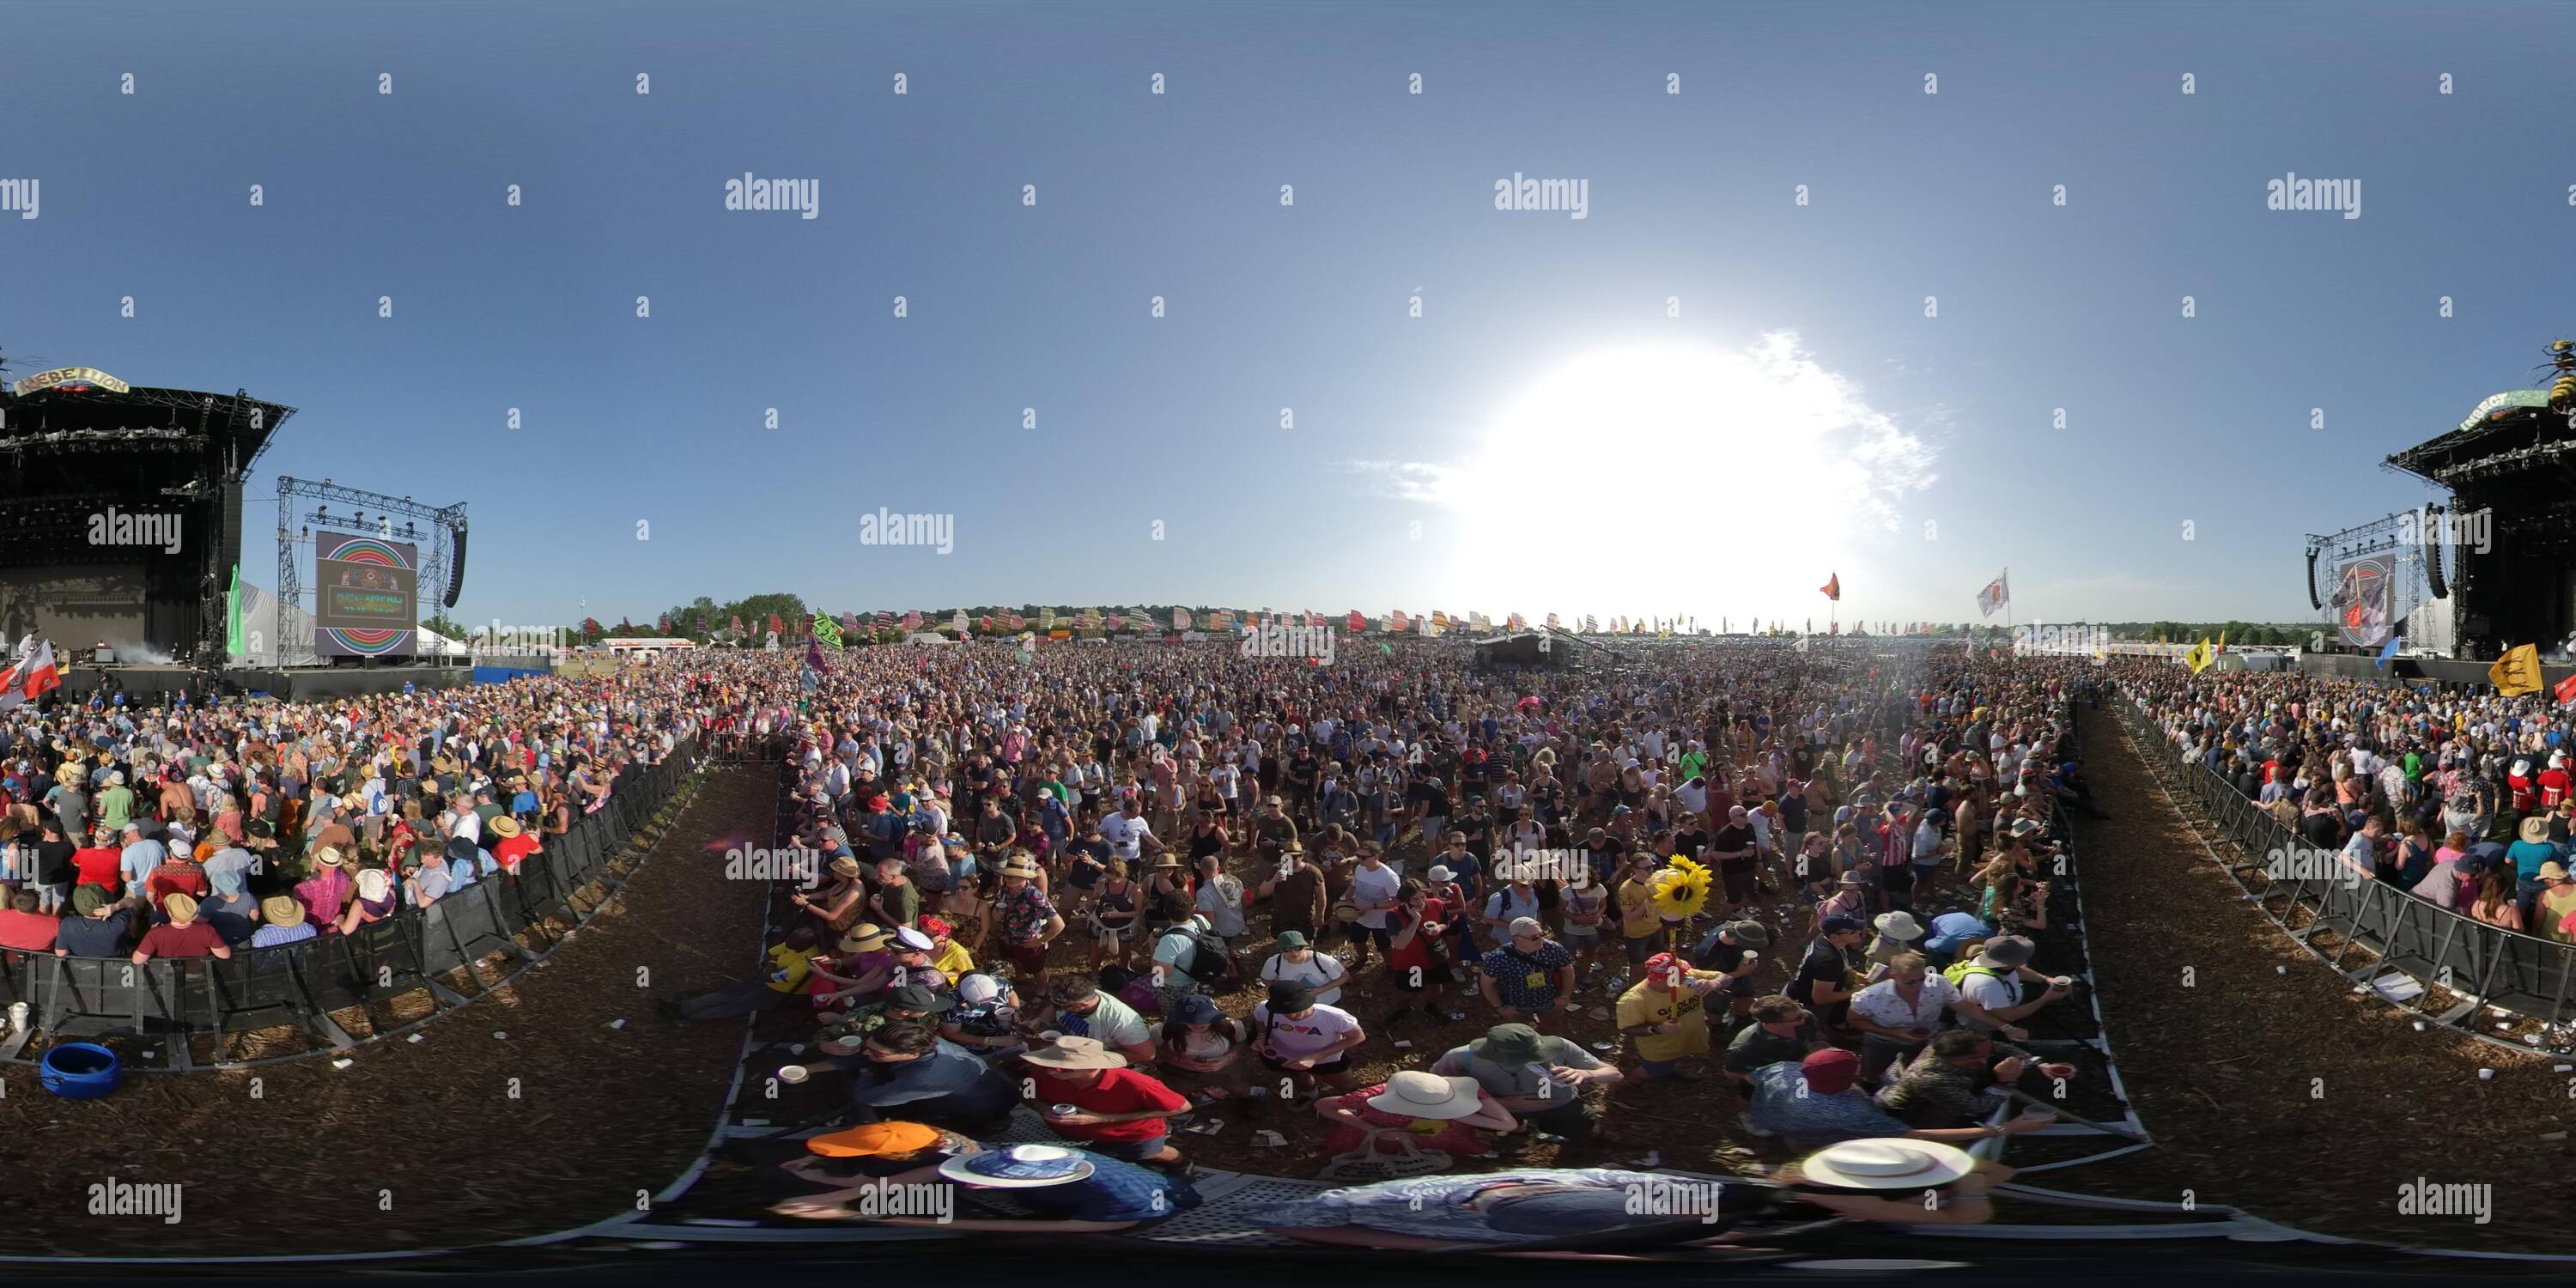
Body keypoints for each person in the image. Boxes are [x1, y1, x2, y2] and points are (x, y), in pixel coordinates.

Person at [1744, 1048, 2056, 1148]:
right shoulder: (1854, 1112)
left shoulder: (1783, 1070)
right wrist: (2003, 1129)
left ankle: (1767, 1126)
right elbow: (1918, 1134)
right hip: (1817, 1136)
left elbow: (1751, 1076)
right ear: (1849, 1080)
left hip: (1769, 1119)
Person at [1426, 1020, 1619, 1148]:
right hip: (1500, 1109)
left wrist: (1586, 1073)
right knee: (1496, 1128)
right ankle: (1520, 1133)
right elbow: (1438, 1090)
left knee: (1582, 1128)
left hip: (1560, 1105)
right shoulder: (1461, 1057)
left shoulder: (1561, 1046)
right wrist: (1499, 1103)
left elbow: (1614, 1074)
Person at [823, 1019, 1021, 1136]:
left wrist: (870, 1071)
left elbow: (867, 1096)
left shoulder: (923, 1077)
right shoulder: (928, 1041)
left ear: (910, 1054)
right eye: (868, 1047)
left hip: (983, 1110)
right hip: (997, 1089)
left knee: (894, 1109)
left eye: (877, 1053)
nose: (867, 1053)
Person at [1024, 1035, 1193, 1168]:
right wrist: (1041, 1107)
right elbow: (1026, 1091)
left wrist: (1102, 1118)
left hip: (1128, 1136)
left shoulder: (1138, 1084)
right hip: (1070, 1133)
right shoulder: (1044, 1071)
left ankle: (1180, 1164)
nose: (1052, 1071)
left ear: (1093, 1066)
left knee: (1149, 1154)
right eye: (1050, 1064)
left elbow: (1182, 1107)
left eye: (1063, 1068)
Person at [1877, 1028, 2076, 1131]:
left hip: (1958, 1090)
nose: (1989, 1055)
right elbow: (1977, 1106)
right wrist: (2004, 1081)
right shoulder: (1931, 1078)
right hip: (1913, 1115)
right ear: (1964, 1059)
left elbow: (1998, 1047)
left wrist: (2039, 1064)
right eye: (1981, 1057)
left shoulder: (1959, 1045)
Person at [1317, 1068, 1519, 1162]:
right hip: (1384, 1135)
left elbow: (1508, 1125)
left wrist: (1455, 1113)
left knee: (1457, 1145)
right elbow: (1324, 1106)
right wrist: (1374, 1130)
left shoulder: (1456, 1091)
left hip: (1439, 1134)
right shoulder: (1370, 1097)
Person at [1614, 951, 1732, 1084]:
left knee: (1680, 1060)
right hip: (1662, 1051)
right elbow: (1627, 1028)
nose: (1686, 976)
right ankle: (1631, 1085)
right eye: (1680, 975)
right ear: (1664, 979)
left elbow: (1726, 978)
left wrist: (1715, 983)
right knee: (1654, 1070)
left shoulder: (1687, 976)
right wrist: (1657, 1029)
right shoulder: (1634, 1000)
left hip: (1690, 1041)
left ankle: (1675, 1068)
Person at [1847, 950, 1956, 1084]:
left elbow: (1962, 1005)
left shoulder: (1937, 983)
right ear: (1893, 976)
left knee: (1917, 1075)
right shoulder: (1871, 996)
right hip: (1882, 1043)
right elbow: (1854, 1020)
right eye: (1910, 982)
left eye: (1922, 979)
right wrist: (1892, 1033)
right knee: (1872, 1075)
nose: (1918, 985)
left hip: (1925, 1040)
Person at [1249, 981, 1367, 1100]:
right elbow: (1259, 1019)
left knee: (1347, 1084)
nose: (1291, 1015)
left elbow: (1358, 1037)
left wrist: (1315, 1057)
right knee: (1298, 1076)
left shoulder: (1334, 1016)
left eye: (1296, 1009)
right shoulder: (1265, 1009)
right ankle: (1309, 1093)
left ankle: (1355, 1101)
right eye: (1283, 1011)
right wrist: (1261, 1036)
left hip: (1326, 1059)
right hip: (1285, 1057)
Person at [1947, 934, 2072, 1039]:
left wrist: (2045, 979)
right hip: (1986, 1030)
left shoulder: (1988, 957)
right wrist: (2045, 998)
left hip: (2004, 1010)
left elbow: (2017, 970)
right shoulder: (1987, 984)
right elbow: (2008, 1015)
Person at [1154, 992, 1252, 1103]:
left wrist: (1228, 1058)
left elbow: (1241, 1042)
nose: (1197, 1025)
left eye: (1204, 1018)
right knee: (1173, 1096)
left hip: (1223, 1069)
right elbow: (1159, 1049)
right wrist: (1179, 1061)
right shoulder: (1163, 1029)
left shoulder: (1232, 1026)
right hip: (1181, 1073)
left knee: (1240, 1090)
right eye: (1189, 1021)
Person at [1479, 916, 1576, 1026]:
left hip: (1549, 1000)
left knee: (1553, 1027)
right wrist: (1500, 1007)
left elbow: (1567, 970)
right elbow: (1486, 984)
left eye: (1542, 934)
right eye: (1534, 937)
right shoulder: (1499, 958)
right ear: (1517, 939)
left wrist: (1565, 996)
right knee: (1519, 1035)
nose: (1541, 940)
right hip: (1516, 1004)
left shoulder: (1553, 949)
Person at [1722, 994, 1820, 1093]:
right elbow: (1731, 1073)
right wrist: (1773, 1082)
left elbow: (1817, 1036)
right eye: (1798, 1017)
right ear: (1775, 1024)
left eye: (1800, 1009)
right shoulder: (1748, 1046)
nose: (1804, 1015)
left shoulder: (1805, 1017)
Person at [1787, 915, 1869, 1033]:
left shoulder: (1824, 938)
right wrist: (1854, 991)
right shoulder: (1829, 961)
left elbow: (1841, 965)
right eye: (1852, 931)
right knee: (1815, 1030)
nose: (1859, 932)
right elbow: (1821, 998)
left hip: (1802, 986)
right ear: (1834, 936)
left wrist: (1856, 975)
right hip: (1807, 1003)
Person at [992, 853, 1066, 981]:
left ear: (1023, 877)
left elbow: (1058, 924)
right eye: (1006, 875)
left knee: (1037, 970)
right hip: (1007, 936)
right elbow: (996, 905)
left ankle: (1041, 990)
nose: (1007, 879)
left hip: (1027, 940)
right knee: (1013, 959)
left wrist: (1040, 941)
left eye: (1011, 876)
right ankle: (1020, 976)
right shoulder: (1005, 889)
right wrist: (994, 913)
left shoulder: (1034, 896)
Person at [132, 893, 231, 964]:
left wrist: (151, 931)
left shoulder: (155, 934)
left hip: (166, 976)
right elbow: (225, 955)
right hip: (199, 975)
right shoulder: (207, 930)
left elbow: (137, 960)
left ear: (170, 913)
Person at [1257, 929, 1349, 1005]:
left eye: (1298, 948)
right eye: (1287, 949)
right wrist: (1286, 991)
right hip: (1296, 1004)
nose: (1294, 953)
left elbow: (1345, 976)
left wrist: (1321, 990)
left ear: (1305, 947)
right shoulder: (1273, 963)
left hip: (1328, 1002)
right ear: (1280, 950)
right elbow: (1266, 979)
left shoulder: (1322, 960)